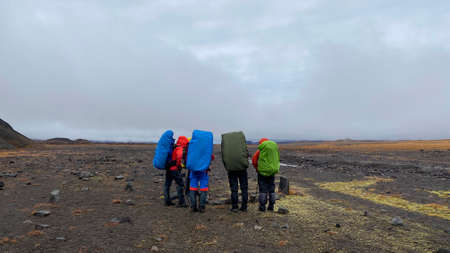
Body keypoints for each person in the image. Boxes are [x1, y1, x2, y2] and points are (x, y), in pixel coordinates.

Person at [221, 131, 249, 212]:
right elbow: (246, 152)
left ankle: (235, 207)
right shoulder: (241, 142)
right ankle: (244, 207)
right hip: (242, 167)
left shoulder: (226, 144)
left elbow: (224, 155)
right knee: (244, 188)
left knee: (234, 188)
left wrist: (227, 166)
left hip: (231, 169)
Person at [252, 138, 280, 212]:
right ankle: (271, 206)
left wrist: (257, 168)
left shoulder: (260, 151)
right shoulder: (273, 151)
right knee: (271, 189)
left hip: (262, 173)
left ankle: (262, 207)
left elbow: (254, 160)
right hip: (272, 172)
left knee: (263, 189)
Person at [164, 136, 189, 207]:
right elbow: (179, 156)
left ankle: (167, 201)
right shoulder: (179, 148)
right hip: (174, 169)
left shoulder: (173, 147)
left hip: (168, 168)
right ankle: (182, 202)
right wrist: (179, 164)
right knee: (180, 184)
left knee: (167, 185)